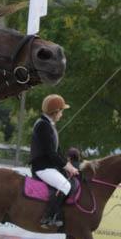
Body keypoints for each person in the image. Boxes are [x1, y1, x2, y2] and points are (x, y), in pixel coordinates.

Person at [30, 94, 78, 228]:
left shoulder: (48, 124)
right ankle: (48, 217)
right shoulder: (43, 126)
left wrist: (69, 166)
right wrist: (68, 167)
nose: (62, 114)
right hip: (42, 167)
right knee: (66, 186)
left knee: (68, 182)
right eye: (61, 111)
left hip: (48, 166)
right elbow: (50, 153)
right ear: (55, 112)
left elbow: (58, 151)